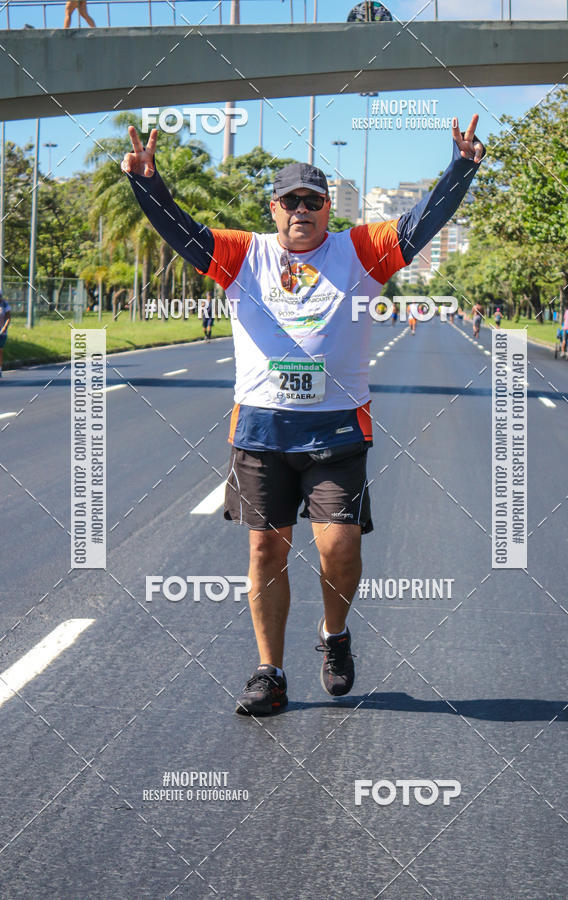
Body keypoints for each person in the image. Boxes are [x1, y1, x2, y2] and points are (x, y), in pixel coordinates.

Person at [122, 115, 485, 716]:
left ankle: (334, 634)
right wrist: (147, 184)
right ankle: (270, 673)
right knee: (266, 552)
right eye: (290, 201)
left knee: (338, 545)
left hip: (336, 427)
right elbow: (184, 233)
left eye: (313, 201)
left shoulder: (359, 252)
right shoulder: (244, 254)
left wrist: (461, 167)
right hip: (262, 430)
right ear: (274, 209)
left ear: (327, 210)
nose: (301, 210)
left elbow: (419, 224)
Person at [0, 291, 11, 378]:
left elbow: (8, 317)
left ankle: (0, 369)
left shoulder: (4, 304)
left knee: (0, 350)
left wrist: (4, 328)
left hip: (1, 332)